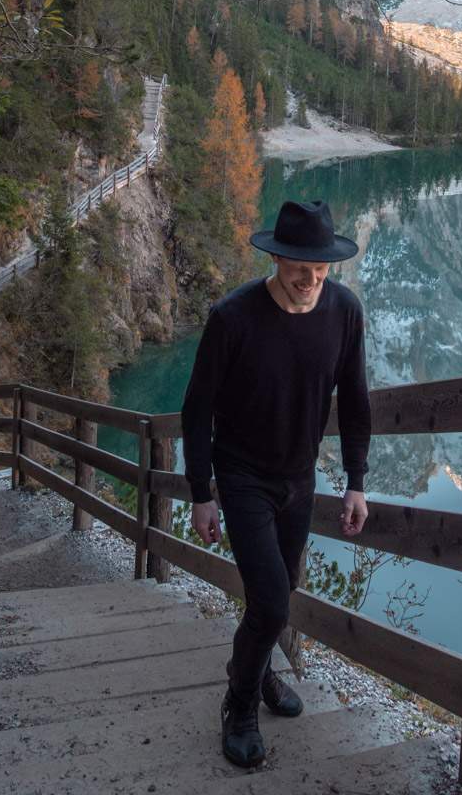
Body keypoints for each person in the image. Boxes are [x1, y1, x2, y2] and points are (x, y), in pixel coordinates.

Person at [180, 198, 371, 768]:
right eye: (298, 267)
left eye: (319, 269)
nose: (309, 279)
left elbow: (356, 401)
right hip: (241, 477)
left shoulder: (344, 311)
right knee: (269, 600)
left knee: (280, 588)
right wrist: (199, 492)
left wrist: (357, 481)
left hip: (299, 479)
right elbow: (196, 411)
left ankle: (260, 675)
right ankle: (238, 705)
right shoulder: (232, 317)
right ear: (277, 257)